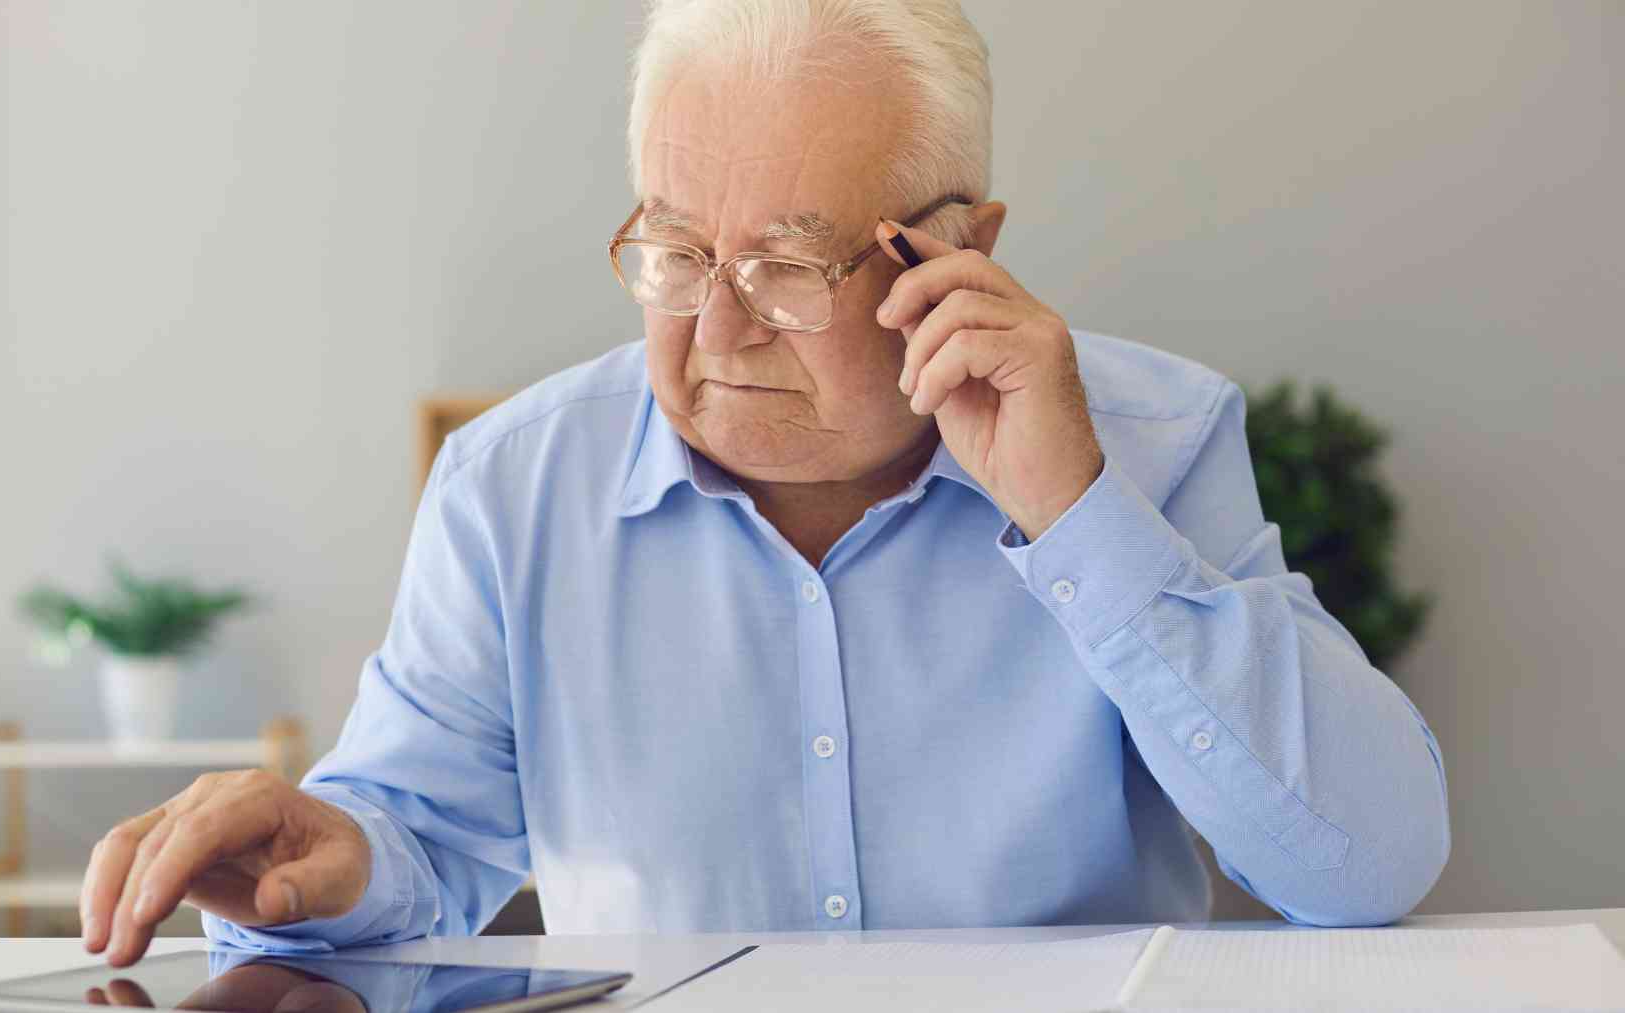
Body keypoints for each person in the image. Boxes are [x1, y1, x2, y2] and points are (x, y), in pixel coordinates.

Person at [80, 0, 1449, 969]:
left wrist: (1078, 514)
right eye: (675, 251)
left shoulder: (1148, 437)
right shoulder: (510, 488)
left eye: (791, 268)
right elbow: (417, 834)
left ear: (955, 250)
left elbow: (1366, 865)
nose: (718, 328)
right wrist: (334, 860)